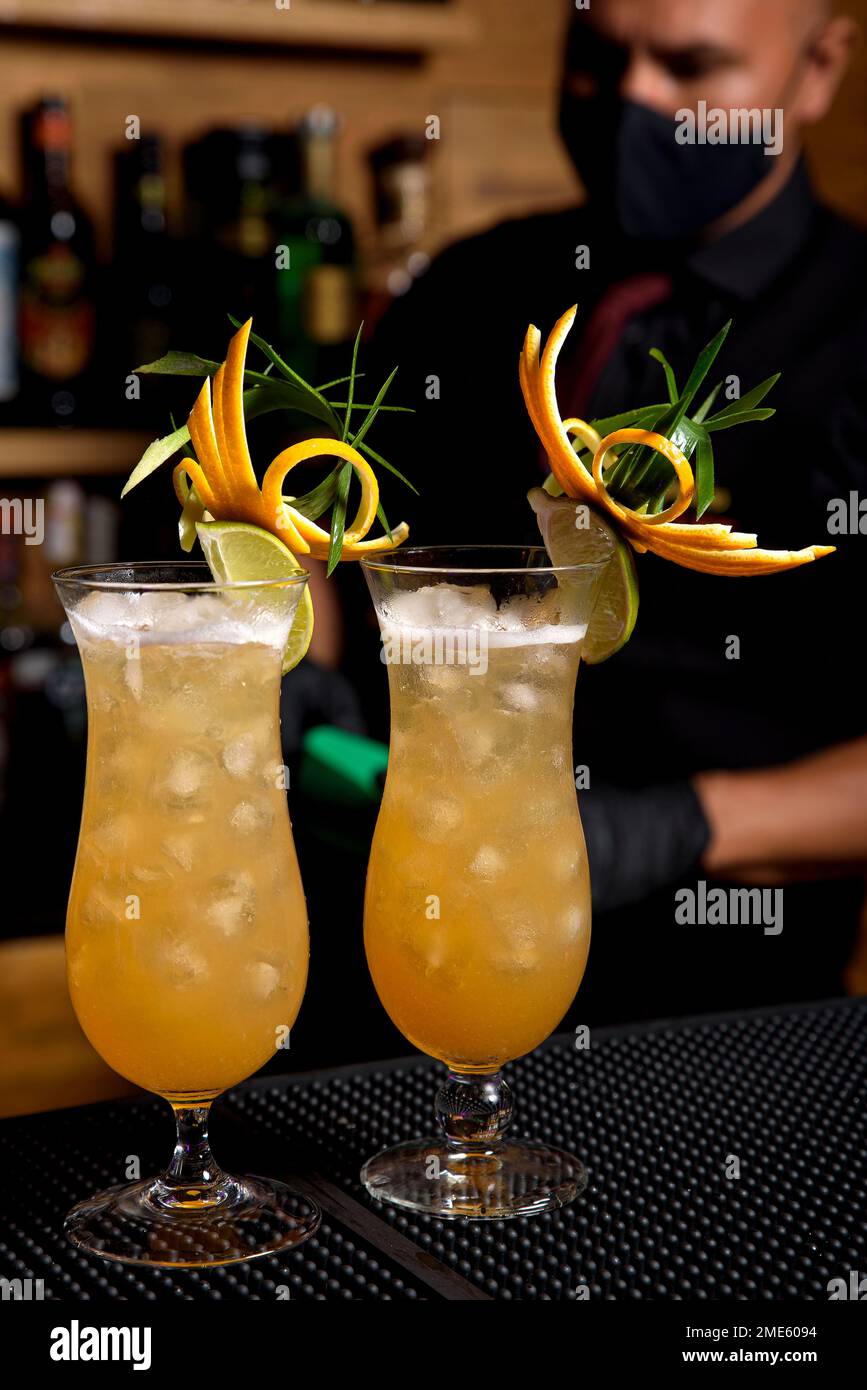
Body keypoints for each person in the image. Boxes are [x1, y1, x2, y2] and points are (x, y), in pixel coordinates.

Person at [357, 0, 867, 1022]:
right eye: (597, 60)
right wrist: (287, 668)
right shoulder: (468, 287)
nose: (634, 98)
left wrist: (680, 826)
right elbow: (350, 537)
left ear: (817, 68)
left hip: (721, 999)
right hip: (409, 947)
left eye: (688, 68)